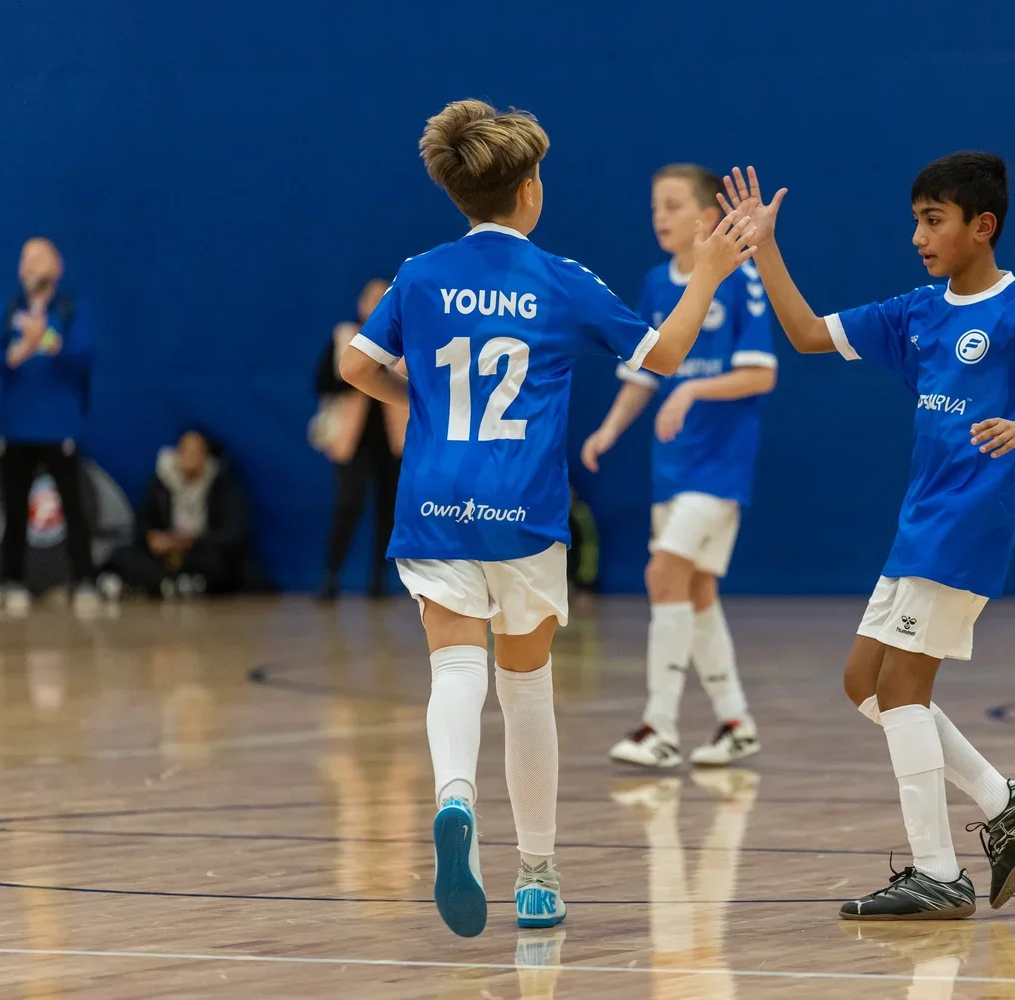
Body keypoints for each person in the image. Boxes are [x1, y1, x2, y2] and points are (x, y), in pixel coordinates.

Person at [337, 99, 757, 938]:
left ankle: (455, 799)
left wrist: (421, 402)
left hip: (436, 503)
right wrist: (707, 273)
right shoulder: (562, 280)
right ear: (530, 188)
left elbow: (357, 365)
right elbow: (663, 358)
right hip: (523, 513)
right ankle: (536, 875)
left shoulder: (418, 273)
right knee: (525, 691)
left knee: (453, 672)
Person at [722, 156, 1015, 919]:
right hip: (919, 523)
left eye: (933, 220)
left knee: (901, 690)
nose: (917, 234)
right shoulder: (918, 311)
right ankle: (1001, 796)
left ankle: (938, 873)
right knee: (864, 684)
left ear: (982, 227)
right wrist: (765, 247)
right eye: (916, 218)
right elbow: (805, 331)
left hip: (968, 522)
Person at [582, 164, 775, 769]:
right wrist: (609, 429)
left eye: (672, 205)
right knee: (694, 592)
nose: (659, 217)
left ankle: (659, 726)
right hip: (672, 469)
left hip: (719, 471)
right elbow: (644, 372)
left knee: (663, 574)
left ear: (708, 215)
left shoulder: (741, 279)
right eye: (654, 206)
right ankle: (736, 721)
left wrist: (693, 391)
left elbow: (760, 372)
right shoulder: (656, 284)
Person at [0, 238, 97, 612]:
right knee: (14, 509)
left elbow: (82, 356)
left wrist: (44, 338)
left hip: (58, 427)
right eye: (25, 260)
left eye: (38, 259)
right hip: (16, 428)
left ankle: (85, 580)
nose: (30, 267)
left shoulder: (71, 308)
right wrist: (16, 352)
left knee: (73, 508)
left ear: (56, 267)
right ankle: (12, 580)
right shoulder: (8, 308)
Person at [312, 278, 404, 600]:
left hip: (393, 442)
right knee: (348, 505)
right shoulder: (344, 337)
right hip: (352, 441)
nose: (377, 304)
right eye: (372, 298)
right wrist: (358, 377)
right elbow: (322, 381)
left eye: (384, 297)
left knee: (387, 510)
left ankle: (379, 580)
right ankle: (331, 576)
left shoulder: (404, 340)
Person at [101, 430, 252, 598]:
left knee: (221, 563)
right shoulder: (160, 483)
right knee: (124, 556)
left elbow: (234, 532)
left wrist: (191, 542)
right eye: (185, 450)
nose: (189, 457)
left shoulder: (222, 486)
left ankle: (177, 585)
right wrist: (153, 538)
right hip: (164, 556)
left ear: (206, 456)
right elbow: (142, 524)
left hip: (199, 552)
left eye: (196, 452)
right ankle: (168, 584)